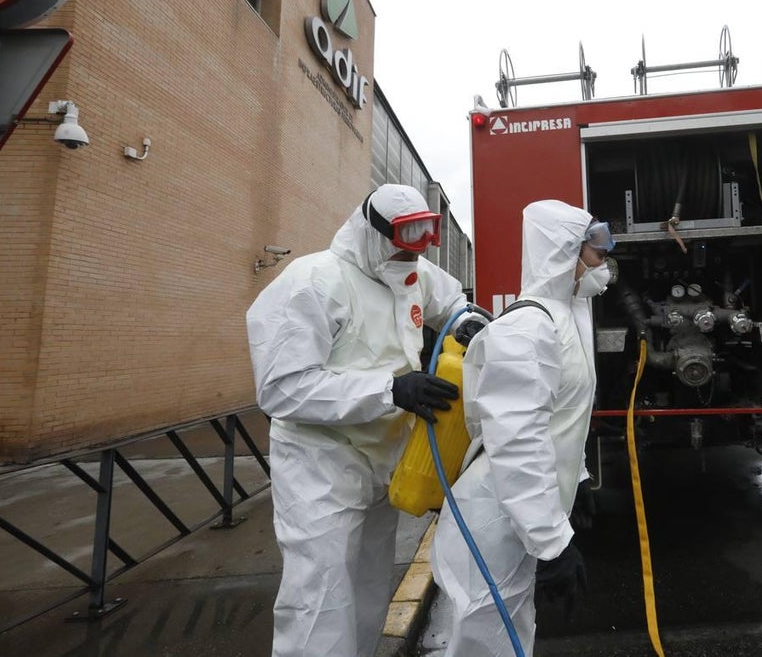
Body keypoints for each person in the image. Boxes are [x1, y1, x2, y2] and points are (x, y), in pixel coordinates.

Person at [246, 184, 484, 657]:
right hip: (321, 466)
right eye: (400, 245)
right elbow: (281, 387)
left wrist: (466, 322)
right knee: (319, 596)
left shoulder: (411, 272)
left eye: (417, 247)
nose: (408, 259)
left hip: (383, 462)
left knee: (369, 586)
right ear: (371, 234)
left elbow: (452, 301)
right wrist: (391, 389)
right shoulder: (312, 283)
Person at [430, 199, 615, 657]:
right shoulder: (527, 329)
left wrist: (581, 479)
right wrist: (552, 545)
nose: (604, 259)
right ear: (565, 253)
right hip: (494, 517)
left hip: (519, 512)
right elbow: (517, 442)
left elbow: (562, 419)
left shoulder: (568, 316)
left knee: (511, 635)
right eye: (595, 249)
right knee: (487, 643)